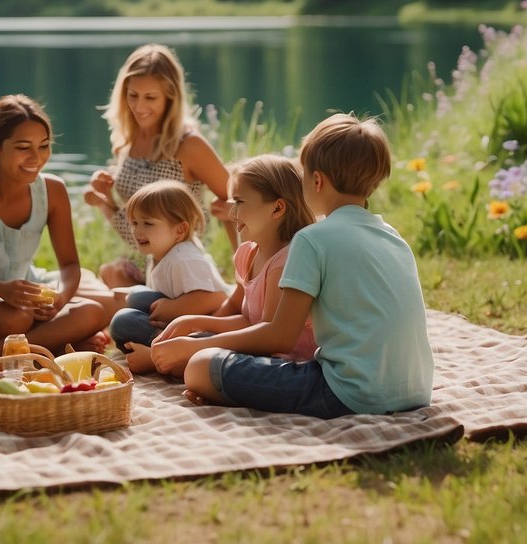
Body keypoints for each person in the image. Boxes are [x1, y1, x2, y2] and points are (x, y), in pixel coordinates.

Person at [152, 113, 434, 419]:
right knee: (203, 362)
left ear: (316, 180)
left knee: (200, 367)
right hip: (416, 391)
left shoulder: (312, 239)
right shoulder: (394, 237)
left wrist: (191, 348)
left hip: (348, 394)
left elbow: (279, 337)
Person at [0, 94, 109, 358]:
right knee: (14, 320)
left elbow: (70, 266)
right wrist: (3, 291)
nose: (36, 158)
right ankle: (37, 344)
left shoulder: (54, 191)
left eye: (43, 146)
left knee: (93, 312)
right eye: (23, 147)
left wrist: (60, 298)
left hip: (24, 296)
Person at [83, 43, 234, 306]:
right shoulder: (127, 141)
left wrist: (243, 256)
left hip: (181, 262)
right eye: (133, 95)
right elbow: (136, 222)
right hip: (143, 256)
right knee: (110, 274)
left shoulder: (188, 145)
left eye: (150, 97)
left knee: (105, 300)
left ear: (170, 98)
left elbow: (239, 199)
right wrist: (104, 199)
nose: (139, 107)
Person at [146, 154, 318, 374]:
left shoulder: (285, 261)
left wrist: (196, 342)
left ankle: (160, 360)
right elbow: (244, 318)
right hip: (255, 349)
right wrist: (194, 323)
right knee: (136, 323)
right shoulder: (247, 254)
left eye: (239, 202)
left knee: (202, 363)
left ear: (277, 209)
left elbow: (267, 340)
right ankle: (167, 356)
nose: (232, 212)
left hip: (287, 363)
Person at [107, 180, 230, 373]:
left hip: (208, 330)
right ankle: (163, 345)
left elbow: (216, 298)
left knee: (123, 323)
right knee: (134, 298)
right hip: (183, 324)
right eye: (135, 223)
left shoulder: (184, 259)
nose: (138, 231)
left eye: (148, 223)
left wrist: (173, 307)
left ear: (179, 230)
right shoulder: (159, 254)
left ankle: (164, 349)